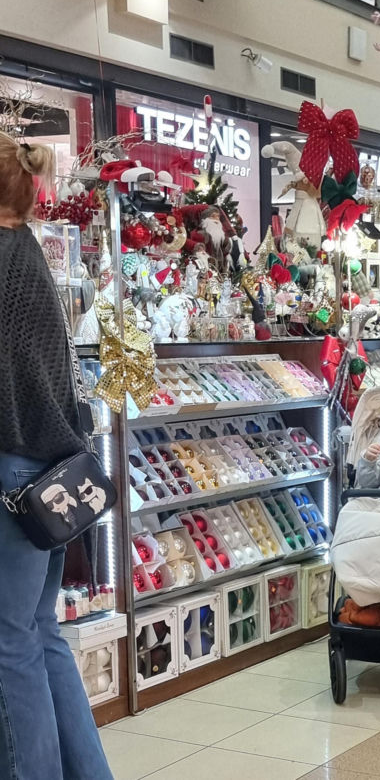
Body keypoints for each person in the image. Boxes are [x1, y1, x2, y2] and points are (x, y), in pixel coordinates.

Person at [0, 132, 114, 780]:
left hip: (12, 469)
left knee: (10, 644)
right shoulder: (29, 255)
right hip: (48, 474)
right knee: (39, 635)